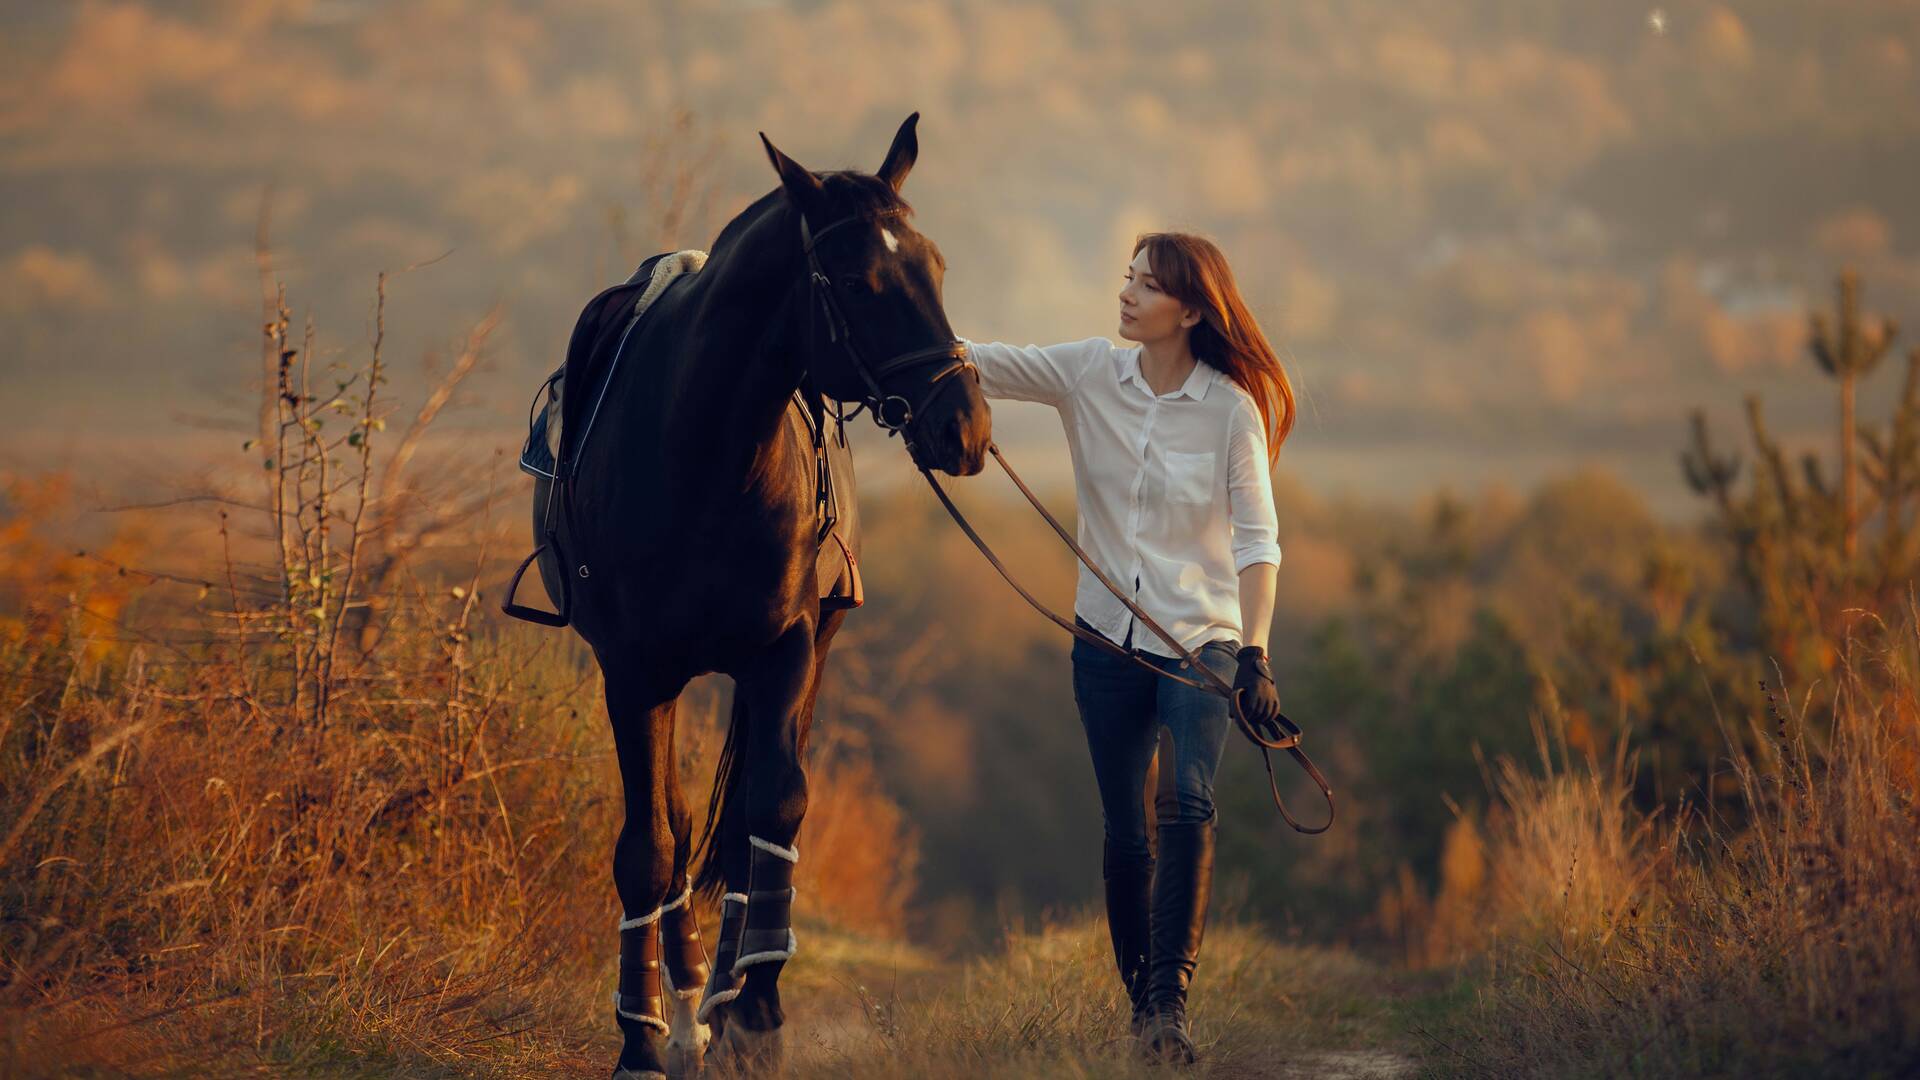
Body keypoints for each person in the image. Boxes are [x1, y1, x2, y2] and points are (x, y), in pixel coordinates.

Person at [960, 231, 1294, 1064]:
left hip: (1203, 642)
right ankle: (1142, 1010)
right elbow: (974, 360)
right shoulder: (1086, 373)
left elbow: (1259, 541)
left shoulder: (1231, 408)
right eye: (1127, 279)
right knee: (1125, 830)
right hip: (1105, 642)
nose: (1127, 295)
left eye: (1145, 287)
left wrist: (1255, 653)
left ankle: (1169, 1003)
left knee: (1185, 798)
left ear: (1189, 309)